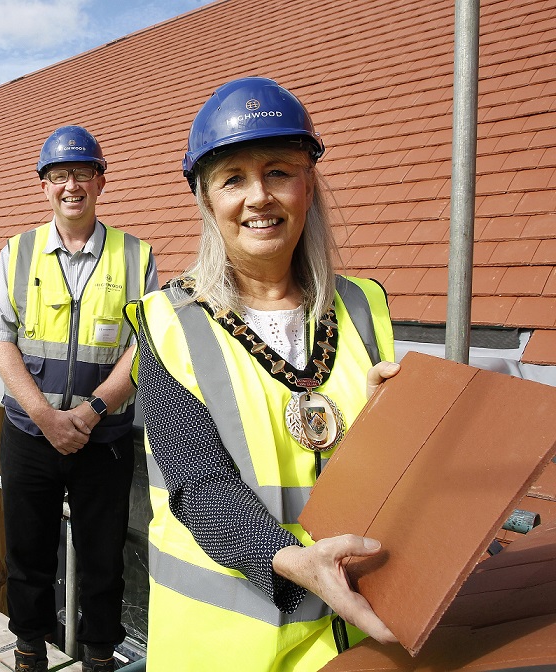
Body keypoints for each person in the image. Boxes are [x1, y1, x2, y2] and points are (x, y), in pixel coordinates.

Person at [124, 77, 401, 671]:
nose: (259, 197)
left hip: (358, 637)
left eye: (279, 171)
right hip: (227, 648)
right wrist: (290, 559)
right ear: (206, 200)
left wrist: (393, 427)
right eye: (233, 180)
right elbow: (200, 487)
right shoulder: (170, 324)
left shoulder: (364, 308)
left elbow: (389, 471)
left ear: (309, 184)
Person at [0, 125, 159, 672]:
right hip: (30, 434)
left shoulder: (137, 255)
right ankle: (30, 649)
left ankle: (99, 655)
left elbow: (146, 346)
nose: (71, 186)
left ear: (101, 182)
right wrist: (43, 414)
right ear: (43, 186)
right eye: (59, 175)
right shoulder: (17, 252)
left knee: (104, 556)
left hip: (102, 436)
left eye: (82, 173)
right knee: (28, 553)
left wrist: (91, 410)